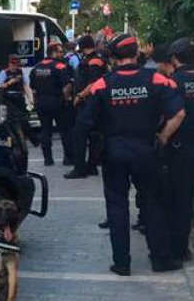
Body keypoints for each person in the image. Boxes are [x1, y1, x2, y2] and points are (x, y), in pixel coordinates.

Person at [77, 34, 186, 275]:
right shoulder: (157, 80)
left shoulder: (103, 84)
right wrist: (163, 137)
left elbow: (85, 122)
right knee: (152, 204)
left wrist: (92, 148)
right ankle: (160, 259)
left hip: (114, 151)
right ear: (137, 53)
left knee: (117, 207)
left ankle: (122, 263)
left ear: (113, 58)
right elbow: (178, 114)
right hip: (146, 150)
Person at [166, 38, 194, 262]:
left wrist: (162, 138)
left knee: (181, 197)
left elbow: (171, 115)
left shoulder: (173, 82)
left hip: (181, 145)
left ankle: (180, 248)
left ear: (174, 58)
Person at [66, 35, 108, 180]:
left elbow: (94, 83)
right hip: (94, 104)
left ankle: (80, 169)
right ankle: (91, 166)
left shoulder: (94, 61)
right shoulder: (92, 59)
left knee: (79, 135)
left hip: (89, 104)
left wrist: (80, 96)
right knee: (94, 136)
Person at [30, 41, 74, 165]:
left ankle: (47, 159)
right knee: (65, 130)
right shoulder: (59, 67)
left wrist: (35, 101)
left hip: (41, 102)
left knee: (45, 131)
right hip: (56, 101)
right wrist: (67, 98)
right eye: (60, 52)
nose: (62, 54)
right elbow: (67, 85)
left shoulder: (37, 67)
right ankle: (68, 158)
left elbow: (32, 87)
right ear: (53, 52)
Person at [0, 53, 32, 140]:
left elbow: (26, 86)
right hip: (6, 100)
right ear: (9, 63)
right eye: (13, 63)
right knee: (3, 121)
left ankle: (26, 138)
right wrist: (10, 82)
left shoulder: (21, 71)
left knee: (23, 120)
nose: (15, 66)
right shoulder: (4, 72)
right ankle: (5, 140)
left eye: (17, 63)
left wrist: (31, 99)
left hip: (18, 98)